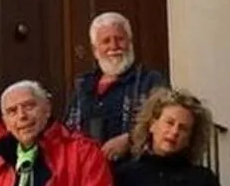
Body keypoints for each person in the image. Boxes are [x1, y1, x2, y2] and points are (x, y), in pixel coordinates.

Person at [63, 13, 166, 162]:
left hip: (136, 170)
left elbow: (164, 123)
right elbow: (68, 130)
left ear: (130, 43)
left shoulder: (150, 80)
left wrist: (131, 140)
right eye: (106, 41)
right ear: (95, 50)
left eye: (120, 39)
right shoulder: (83, 85)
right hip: (89, 173)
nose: (114, 46)